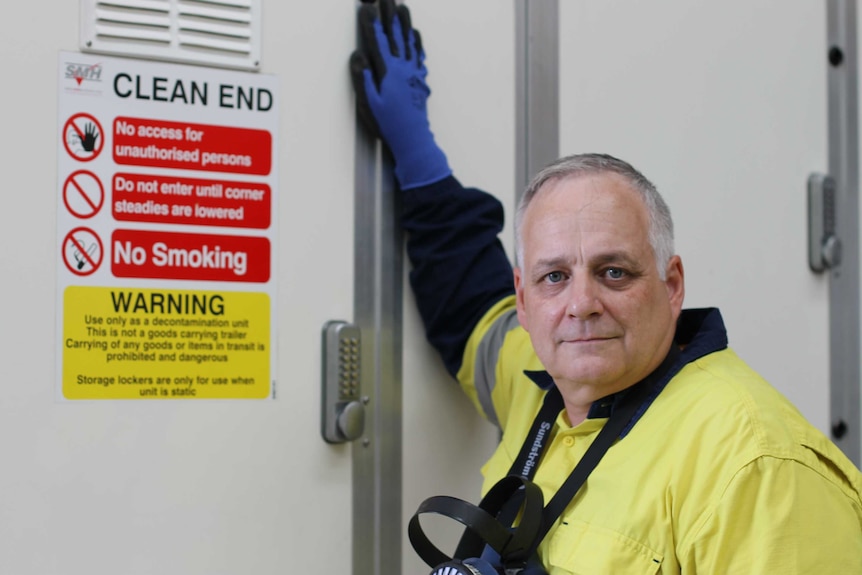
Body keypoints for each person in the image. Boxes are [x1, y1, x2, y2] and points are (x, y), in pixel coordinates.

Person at [350, 1, 862, 573]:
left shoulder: (756, 466)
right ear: (524, 299)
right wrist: (415, 151)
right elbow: (470, 306)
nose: (581, 305)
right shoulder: (536, 379)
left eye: (614, 272)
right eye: (554, 277)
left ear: (671, 286)